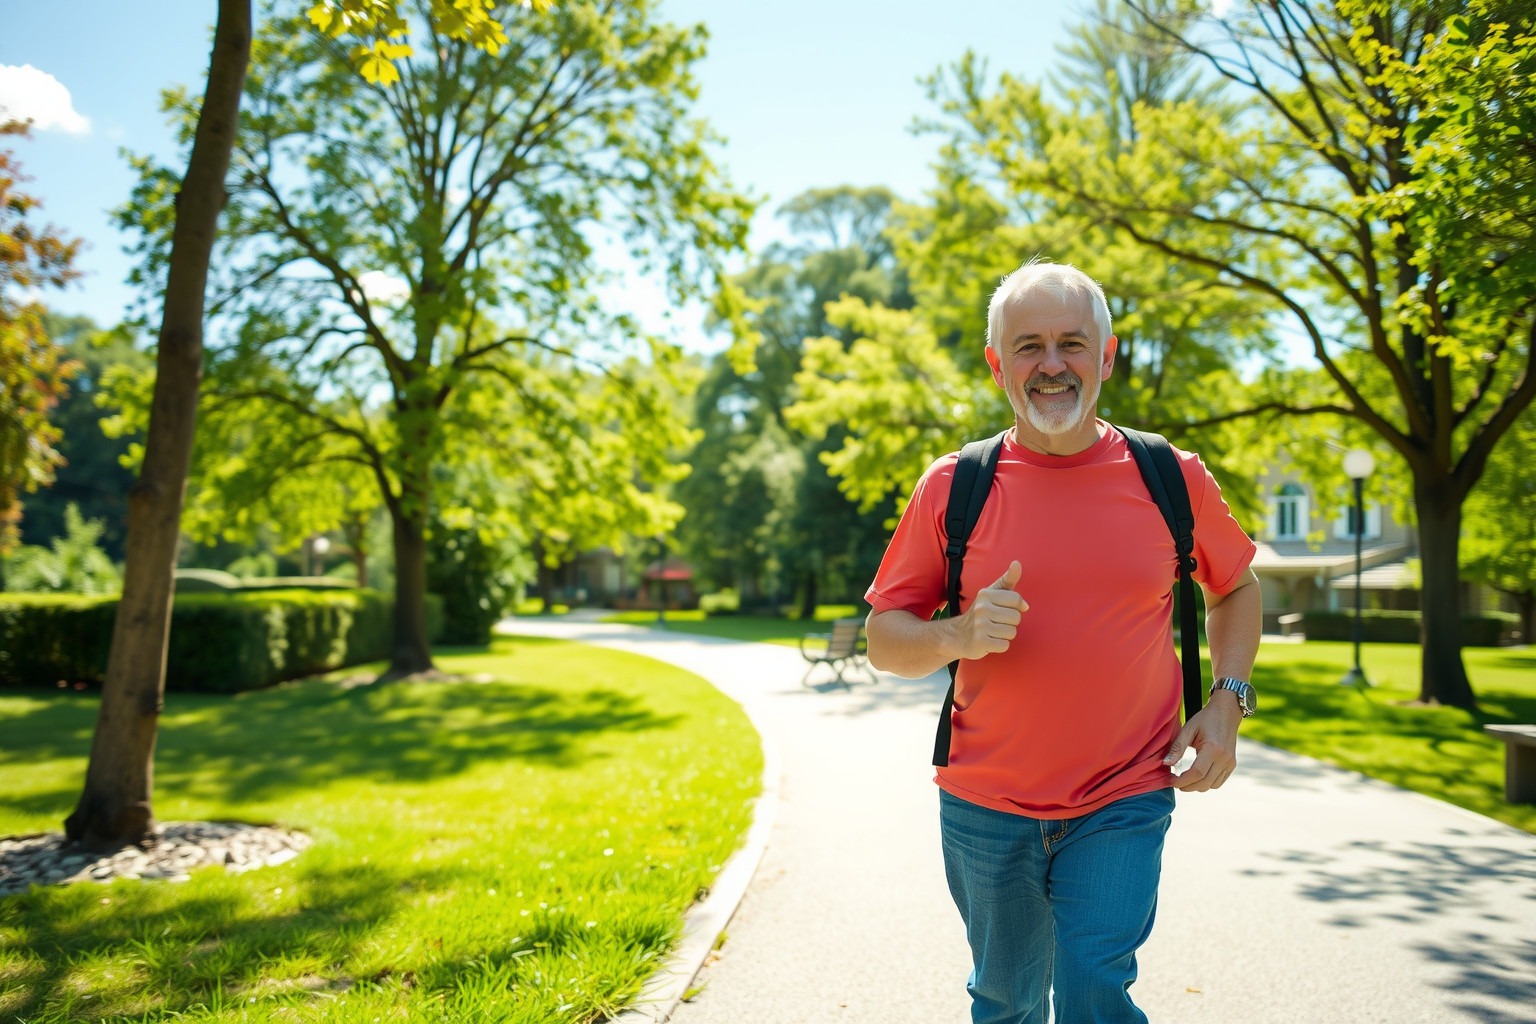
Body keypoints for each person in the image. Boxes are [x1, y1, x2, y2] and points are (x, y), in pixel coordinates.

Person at [863, 260, 1262, 1024]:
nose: (1052, 364)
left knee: (1092, 991)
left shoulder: (1169, 476)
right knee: (1006, 1000)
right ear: (997, 366)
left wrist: (1227, 702)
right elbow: (885, 638)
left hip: (1124, 793)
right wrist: (959, 632)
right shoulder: (955, 485)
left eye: (1072, 343)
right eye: (1029, 346)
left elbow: (1236, 588)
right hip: (984, 802)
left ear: (1106, 357)